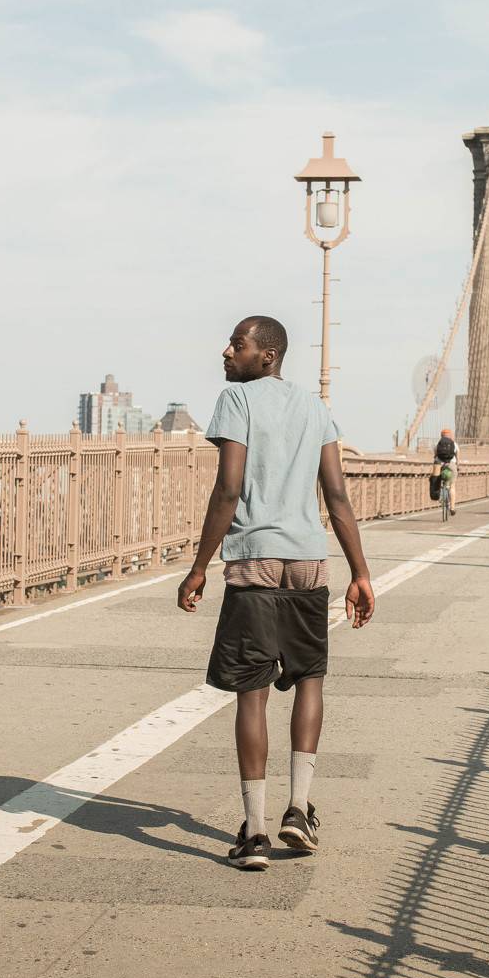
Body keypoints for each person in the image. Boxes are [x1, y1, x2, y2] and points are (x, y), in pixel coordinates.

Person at [177, 316, 375, 870]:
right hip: (309, 562)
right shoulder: (315, 408)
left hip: (255, 563)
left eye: (237, 344)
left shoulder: (236, 401)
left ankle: (257, 833)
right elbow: (336, 495)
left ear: (266, 356)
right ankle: (298, 808)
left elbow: (229, 487)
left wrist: (199, 566)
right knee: (309, 679)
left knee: (252, 693)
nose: (226, 351)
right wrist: (360, 573)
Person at [434, 427, 460, 510]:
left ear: (441, 436)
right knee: (452, 486)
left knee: (435, 480)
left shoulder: (438, 444)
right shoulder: (454, 444)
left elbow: (435, 456)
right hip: (451, 464)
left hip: (439, 465)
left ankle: (439, 494)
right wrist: (458, 466)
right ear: (450, 435)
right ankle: (452, 508)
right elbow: (457, 457)